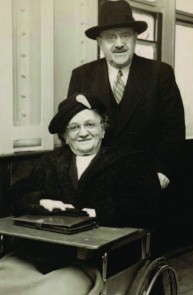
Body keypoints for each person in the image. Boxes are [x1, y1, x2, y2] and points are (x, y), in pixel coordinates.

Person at [0, 93, 161, 295]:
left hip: (95, 263)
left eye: (90, 125)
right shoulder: (51, 162)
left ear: (103, 129)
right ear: (65, 136)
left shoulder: (130, 162)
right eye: (74, 127)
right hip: (45, 254)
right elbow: (16, 195)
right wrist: (42, 201)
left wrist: (97, 212)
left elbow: (148, 205)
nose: (83, 133)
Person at [67, 0, 185, 192]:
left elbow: (173, 129)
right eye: (110, 37)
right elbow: (71, 128)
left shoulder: (160, 73)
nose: (119, 44)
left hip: (147, 181)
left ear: (135, 38)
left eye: (126, 35)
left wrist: (162, 172)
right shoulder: (81, 75)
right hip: (98, 182)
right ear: (99, 42)